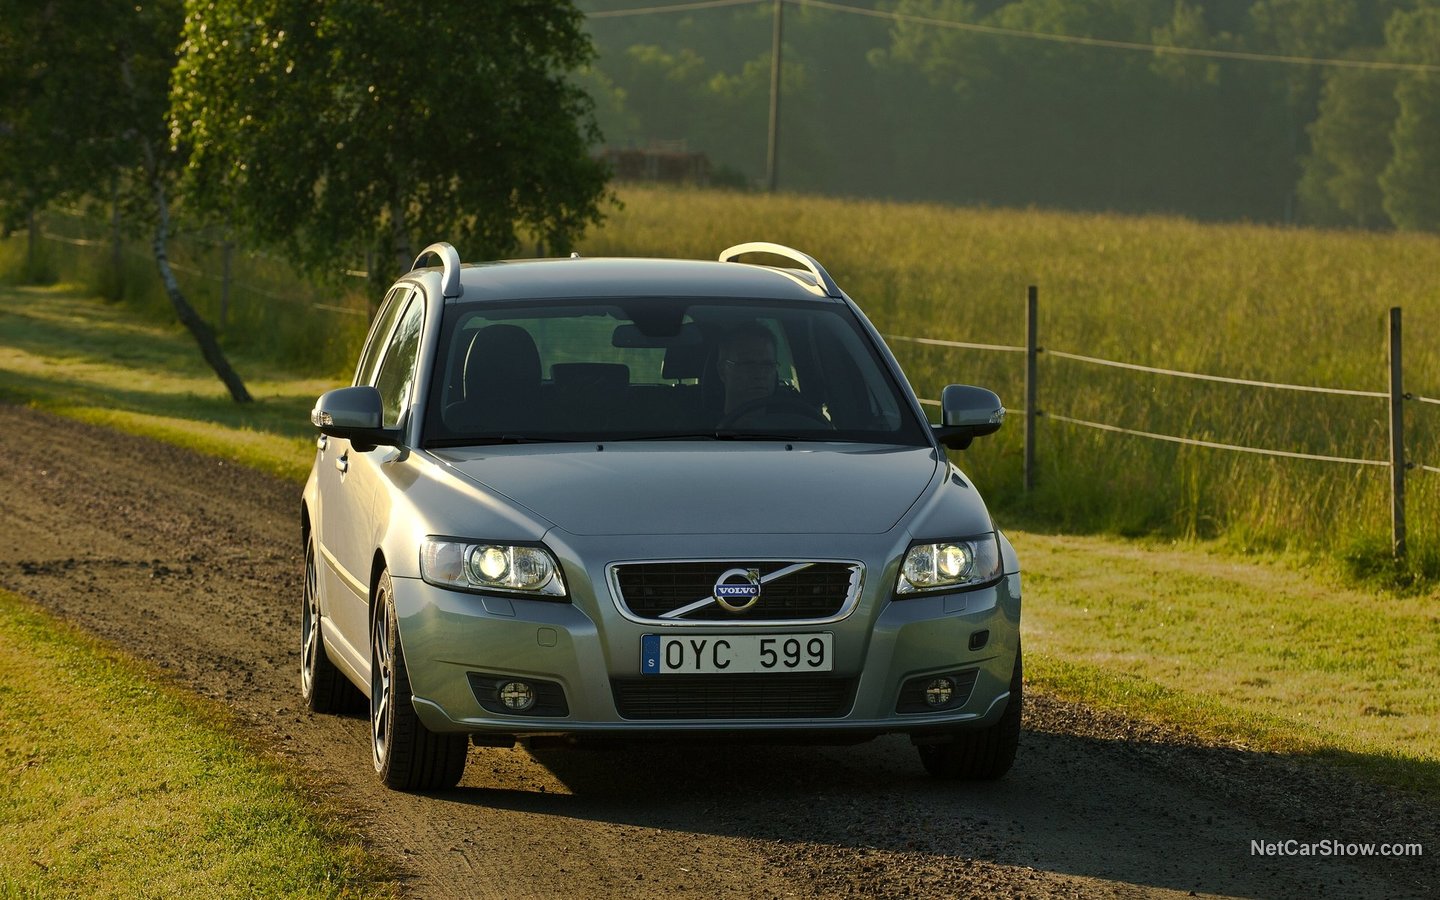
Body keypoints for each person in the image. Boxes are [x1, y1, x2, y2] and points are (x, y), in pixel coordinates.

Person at [717, 322, 781, 414]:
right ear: (722, 371)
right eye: (747, 364)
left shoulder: (794, 423)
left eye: (768, 364)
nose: (760, 374)